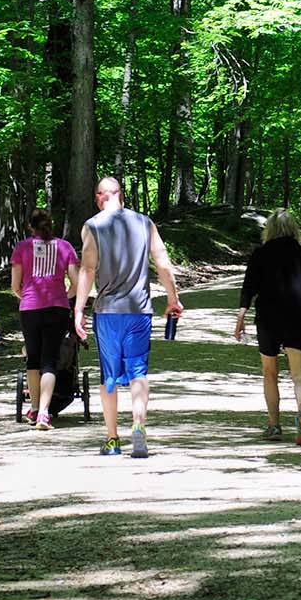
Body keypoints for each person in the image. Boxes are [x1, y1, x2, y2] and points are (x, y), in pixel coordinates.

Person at [73, 177, 183, 458]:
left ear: (99, 197)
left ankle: (112, 439)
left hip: (107, 312)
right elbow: (163, 263)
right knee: (138, 372)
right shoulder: (145, 223)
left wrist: (79, 309)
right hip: (139, 310)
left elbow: (87, 269)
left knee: (109, 376)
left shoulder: (92, 226)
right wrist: (173, 299)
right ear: (120, 195)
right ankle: (138, 425)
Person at [234, 208, 301, 444]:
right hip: (297, 317)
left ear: (269, 229)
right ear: (293, 229)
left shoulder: (260, 254)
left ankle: (274, 425)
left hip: (268, 318)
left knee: (269, 372)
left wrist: (241, 317)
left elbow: (248, 288)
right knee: (299, 374)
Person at [10, 209, 78, 430]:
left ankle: (34, 407)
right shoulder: (65, 247)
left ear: (31, 227)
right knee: (50, 360)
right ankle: (44, 413)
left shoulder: (22, 248)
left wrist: (27, 297)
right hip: (57, 308)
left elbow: (15, 286)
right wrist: (64, 296)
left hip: (30, 308)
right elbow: (76, 282)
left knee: (33, 359)